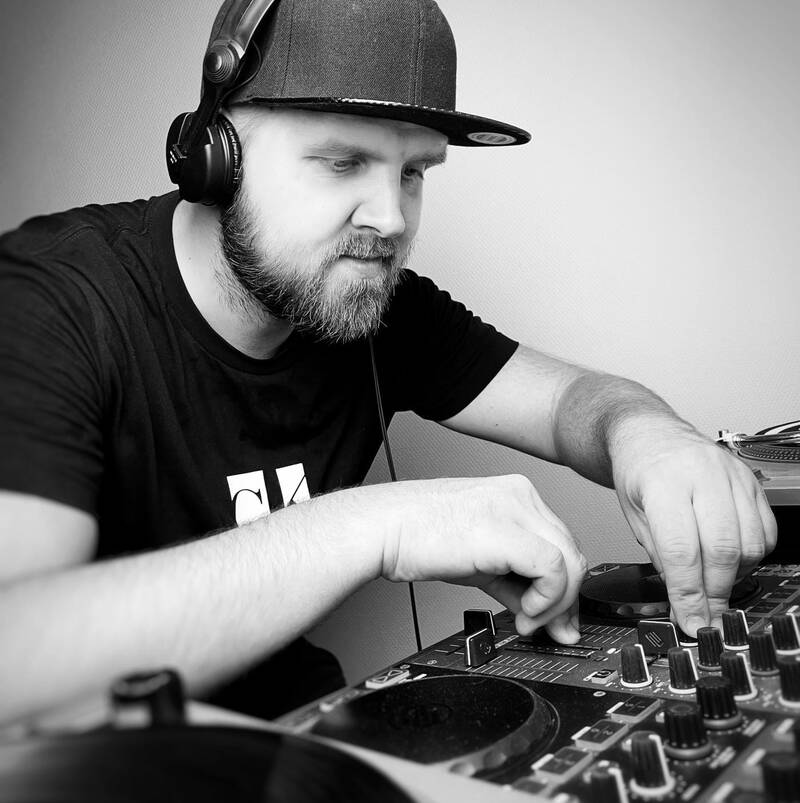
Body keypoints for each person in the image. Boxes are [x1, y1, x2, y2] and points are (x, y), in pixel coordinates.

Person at [0, 0, 776, 725]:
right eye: (343, 162)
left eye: (414, 172)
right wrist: (375, 526)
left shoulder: (366, 298)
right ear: (214, 155)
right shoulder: (49, 301)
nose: (391, 219)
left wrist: (647, 433)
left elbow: (570, 402)